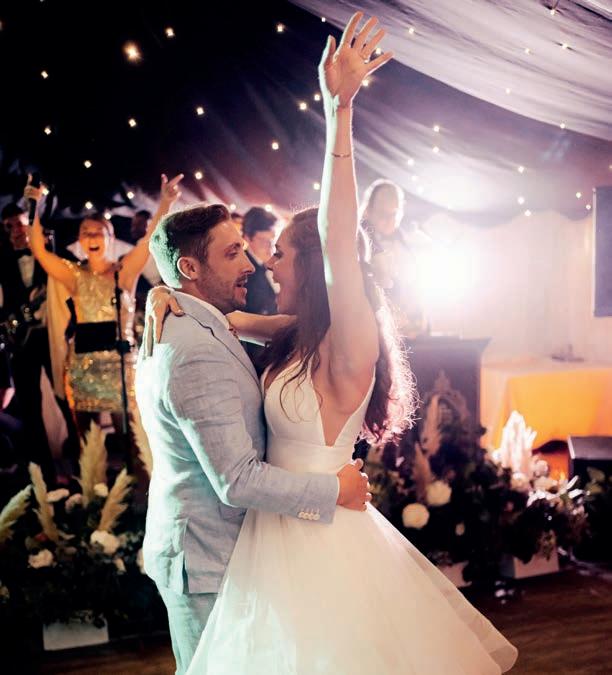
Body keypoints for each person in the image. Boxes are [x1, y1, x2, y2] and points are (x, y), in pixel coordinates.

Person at [151, 13, 517, 674]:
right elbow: (227, 321)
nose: (266, 265)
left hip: (322, 540)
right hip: (266, 539)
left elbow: (338, 236)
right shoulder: (302, 337)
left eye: (281, 254)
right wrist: (163, 295)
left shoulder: (349, 336)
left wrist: (338, 112)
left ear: (316, 264)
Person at [136, 203, 370, 674]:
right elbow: (237, 481)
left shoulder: (201, 323)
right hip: (208, 557)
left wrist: (164, 291)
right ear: (190, 268)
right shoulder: (194, 348)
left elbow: (317, 328)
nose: (251, 265)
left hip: (243, 548)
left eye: (245, 249)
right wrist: (335, 490)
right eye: (232, 254)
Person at [24, 173, 183, 438]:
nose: (92, 238)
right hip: (83, 365)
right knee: (89, 445)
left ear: (110, 237)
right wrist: (33, 204)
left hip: (120, 365)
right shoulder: (74, 275)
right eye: (86, 233)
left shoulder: (124, 271)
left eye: (98, 232)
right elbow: (39, 251)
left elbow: (149, 240)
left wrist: (165, 202)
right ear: (80, 240)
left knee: (132, 439)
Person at [361, 178, 427, 336]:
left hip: (404, 328)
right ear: (368, 210)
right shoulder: (358, 242)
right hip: (372, 327)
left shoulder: (405, 242)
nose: (389, 220)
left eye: (394, 214)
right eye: (383, 214)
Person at [241, 206, 279, 362]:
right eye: (264, 241)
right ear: (247, 238)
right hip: (255, 353)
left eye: (272, 241)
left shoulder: (266, 265)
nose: (270, 248)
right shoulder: (243, 269)